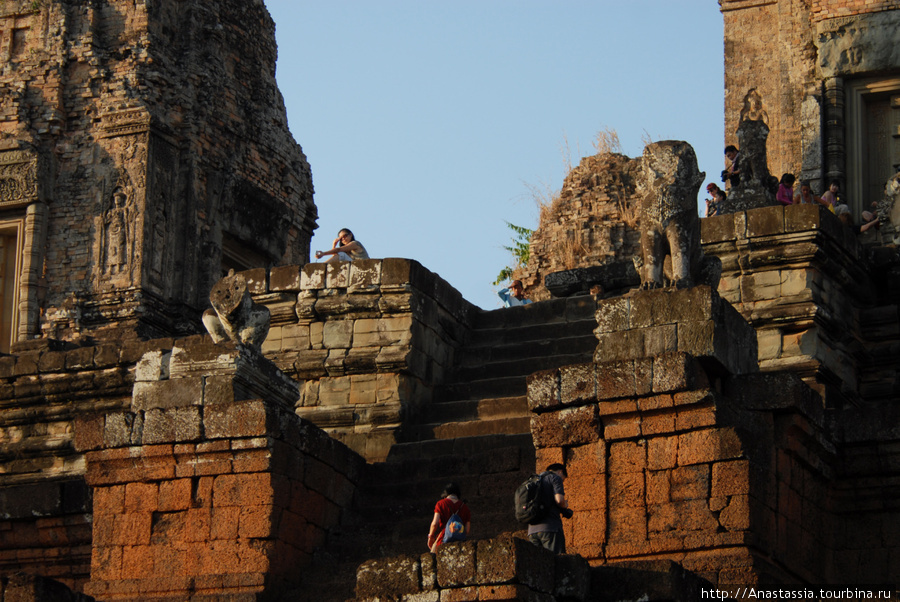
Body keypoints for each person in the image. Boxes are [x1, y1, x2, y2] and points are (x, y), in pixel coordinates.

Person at [528, 463, 572, 555]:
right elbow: (559, 500)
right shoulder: (555, 477)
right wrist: (565, 505)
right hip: (550, 528)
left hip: (532, 531)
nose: (562, 481)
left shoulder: (535, 480)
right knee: (556, 562)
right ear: (560, 472)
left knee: (539, 565)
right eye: (563, 479)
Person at [427, 483, 471, 553]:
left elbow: (435, 524)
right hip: (461, 543)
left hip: (443, 539)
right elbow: (467, 530)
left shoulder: (440, 504)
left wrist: (431, 536)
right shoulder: (465, 508)